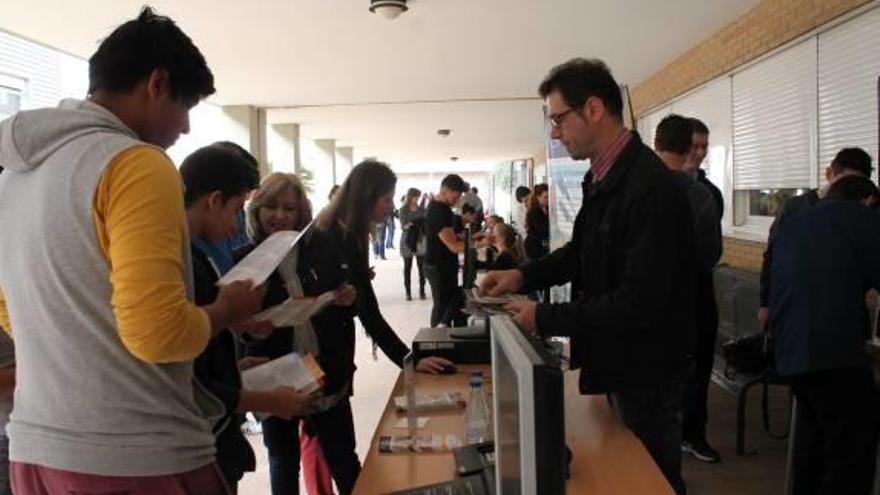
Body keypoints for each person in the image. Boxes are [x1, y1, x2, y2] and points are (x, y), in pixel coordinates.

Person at [0, 8, 265, 494]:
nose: (185, 128)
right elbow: (159, 335)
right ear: (157, 83)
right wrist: (224, 311)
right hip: (134, 454)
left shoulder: (14, 177)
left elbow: (16, 318)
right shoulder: (136, 164)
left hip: (36, 451)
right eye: (186, 107)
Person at [480, 58, 695, 495]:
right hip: (618, 357)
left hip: (646, 368)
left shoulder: (649, 186)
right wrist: (521, 276)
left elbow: (639, 300)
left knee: (650, 479)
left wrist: (545, 317)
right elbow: (582, 253)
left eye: (559, 119)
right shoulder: (602, 176)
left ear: (593, 109)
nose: (555, 132)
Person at [304, 159, 454, 493]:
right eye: (387, 199)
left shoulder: (350, 236)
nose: (391, 208)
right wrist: (409, 359)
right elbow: (369, 313)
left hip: (336, 360)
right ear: (366, 197)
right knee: (343, 457)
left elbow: (365, 308)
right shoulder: (327, 238)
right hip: (319, 363)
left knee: (342, 451)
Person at [182, 145, 322, 492]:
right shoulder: (184, 266)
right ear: (214, 200)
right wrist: (266, 400)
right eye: (236, 210)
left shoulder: (191, 257)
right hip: (199, 443)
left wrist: (234, 361)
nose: (234, 227)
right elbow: (186, 382)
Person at [771, 175, 880, 495]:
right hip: (832, 352)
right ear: (868, 201)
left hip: (791, 349)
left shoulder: (796, 219)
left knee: (813, 436)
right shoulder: (859, 217)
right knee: (853, 441)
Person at [240, 172, 346, 495]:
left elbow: (342, 307)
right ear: (256, 209)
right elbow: (237, 333)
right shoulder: (243, 259)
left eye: (290, 209)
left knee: (342, 456)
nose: (281, 216)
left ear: (302, 214)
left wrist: (346, 298)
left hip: (324, 366)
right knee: (283, 461)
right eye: (272, 206)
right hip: (275, 373)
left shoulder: (321, 247)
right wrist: (253, 327)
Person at [654, 114, 723, 463]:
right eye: (693, 145)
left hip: (699, 295)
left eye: (704, 146)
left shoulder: (709, 193)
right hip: (665, 299)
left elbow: (710, 253)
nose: (698, 152)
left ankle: (693, 433)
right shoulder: (652, 188)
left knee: (698, 371)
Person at [758, 147, 874, 330]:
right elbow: (772, 255)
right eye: (845, 182)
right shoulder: (795, 207)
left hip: (844, 314)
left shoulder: (861, 212)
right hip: (797, 310)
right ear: (829, 174)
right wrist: (765, 303)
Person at [425, 174, 471, 327]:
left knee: (452, 300)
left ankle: (449, 337)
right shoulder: (439, 211)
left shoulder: (444, 208)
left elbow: (451, 237)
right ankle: (435, 343)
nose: (457, 200)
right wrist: (477, 245)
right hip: (438, 266)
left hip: (444, 263)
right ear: (445, 190)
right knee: (441, 305)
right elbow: (453, 246)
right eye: (455, 196)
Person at [685, 118, 724, 217]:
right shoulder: (662, 188)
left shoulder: (713, 193)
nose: (701, 153)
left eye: (704, 146)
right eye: (695, 146)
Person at [399, 188, 428, 301]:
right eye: (416, 196)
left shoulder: (422, 209)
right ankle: (408, 292)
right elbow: (403, 226)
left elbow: (426, 221)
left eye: (419, 197)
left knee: (421, 268)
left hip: (420, 240)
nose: (417, 199)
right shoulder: (403, 209)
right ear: (410, 196)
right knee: (407, 267)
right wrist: (411, 224)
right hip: (408, 240)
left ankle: (422, 291)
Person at [524, 183, 550, 261]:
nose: (548, 200)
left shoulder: (547, 209)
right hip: (534, 247)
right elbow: (543, 230)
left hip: (542, 245)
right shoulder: (534, 212)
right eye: (545, 197)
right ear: (538, 197)